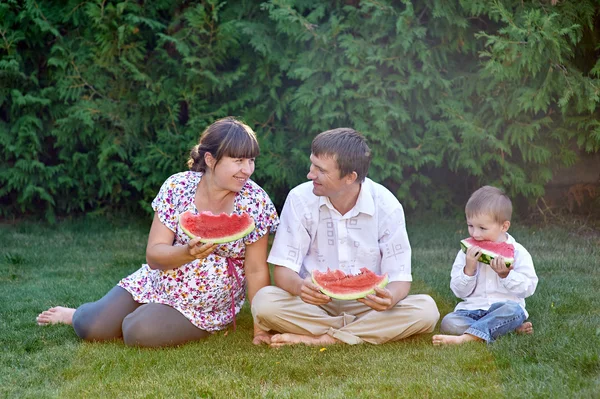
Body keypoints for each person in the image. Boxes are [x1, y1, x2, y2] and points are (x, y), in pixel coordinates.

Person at [36, 117, 279, 347]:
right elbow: (154, 255)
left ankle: (149, 318)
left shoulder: (255, 201)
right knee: (90, 326)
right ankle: (75, 313)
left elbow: (256, 269)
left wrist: (261, 329)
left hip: (205, 306)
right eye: (238, 161)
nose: (247, 170)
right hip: (158, 282)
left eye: (251, 160)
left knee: (137, 331)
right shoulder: (177, 186)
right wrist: (187, 252)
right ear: (210, 159)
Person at [251, 128, 440, 347]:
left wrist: (391, 298)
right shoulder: (299, 199)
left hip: (367, 305)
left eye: (321, 170)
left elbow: (400, 277)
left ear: (350, 177)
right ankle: (360, 332)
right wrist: (299, 287)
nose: (310, 174)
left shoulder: (387, 206)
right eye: (312, 164)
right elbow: (283, 270)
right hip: (314, 304)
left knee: (427, 310)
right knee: (264, 302)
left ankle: (324, 338)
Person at [432, 185, 538, 346]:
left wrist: (506, 275)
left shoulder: (518, 253)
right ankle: (505, 329)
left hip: (503, 309)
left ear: (504, 226)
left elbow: (529, 288)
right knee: (449, 322)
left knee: (514, 311)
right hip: (471, 311)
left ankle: (467, 338)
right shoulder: (466, 253)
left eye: (482, 228)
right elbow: (459, 292)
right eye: (470, 226)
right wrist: (469, 270)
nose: (475, 234)